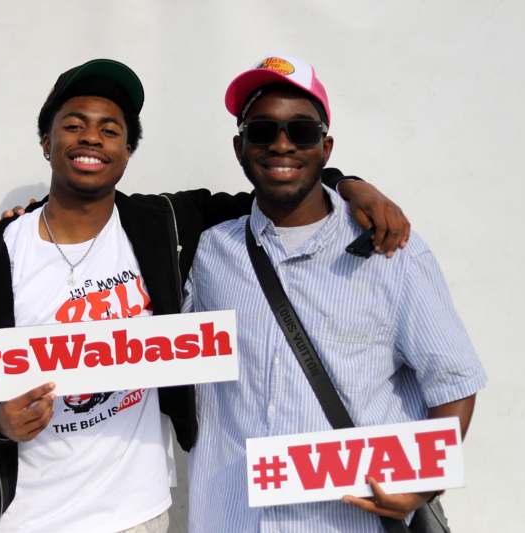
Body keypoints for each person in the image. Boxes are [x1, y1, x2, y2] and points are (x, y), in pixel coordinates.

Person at [0, 58, 409, 533]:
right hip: (24, 518)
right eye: (73, 125)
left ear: (128, 151)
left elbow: (278, 189)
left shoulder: (164, 226)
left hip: (140, 513)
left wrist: (349, 185)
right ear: (46, 142)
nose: (91, 137)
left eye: (111, 130)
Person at [184, 55, 487, 533]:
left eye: (301, 132)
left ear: (325, 148)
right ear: (240, 147)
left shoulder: (393, 249)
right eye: (263, 131)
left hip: (350, 521)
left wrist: (422, 484)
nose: (282, 144)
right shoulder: (209, 251)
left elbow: (453, 383)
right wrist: (30, 219)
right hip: (233, 517)